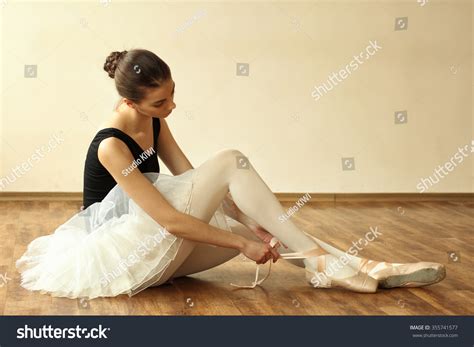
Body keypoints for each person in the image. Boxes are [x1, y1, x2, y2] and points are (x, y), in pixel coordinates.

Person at [15, 48, 446, 299]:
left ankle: (366, 265)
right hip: (121, 260)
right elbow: (168, 218)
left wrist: (250, 225)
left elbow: (194, 181)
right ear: (129, 103)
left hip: (160, 254)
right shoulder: (111, 145)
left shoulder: (156, 125)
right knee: (231, 160)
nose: (170, 108)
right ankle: (331, 264)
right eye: (159, 104)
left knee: (270, 226)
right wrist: (241, 242)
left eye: (172, 96)